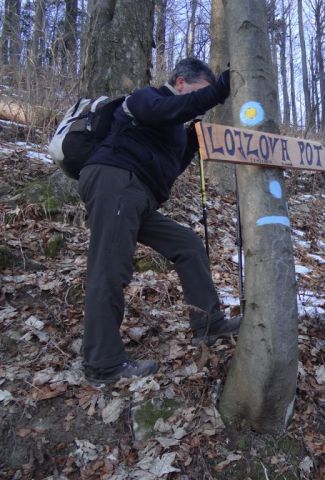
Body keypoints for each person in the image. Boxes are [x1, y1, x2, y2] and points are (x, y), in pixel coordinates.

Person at [79, 58, 240, 385]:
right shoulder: (146, 99)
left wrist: (192, 143)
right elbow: (166, 111)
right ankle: (102, 363)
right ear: (181, 83)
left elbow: (169, 169)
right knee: (110, 266)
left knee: (188, 245)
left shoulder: (173, 123)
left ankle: (208, 324)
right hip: (117, 180)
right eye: (199, 93)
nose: (201, 103)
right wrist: (220, 90)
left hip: (139, 195)